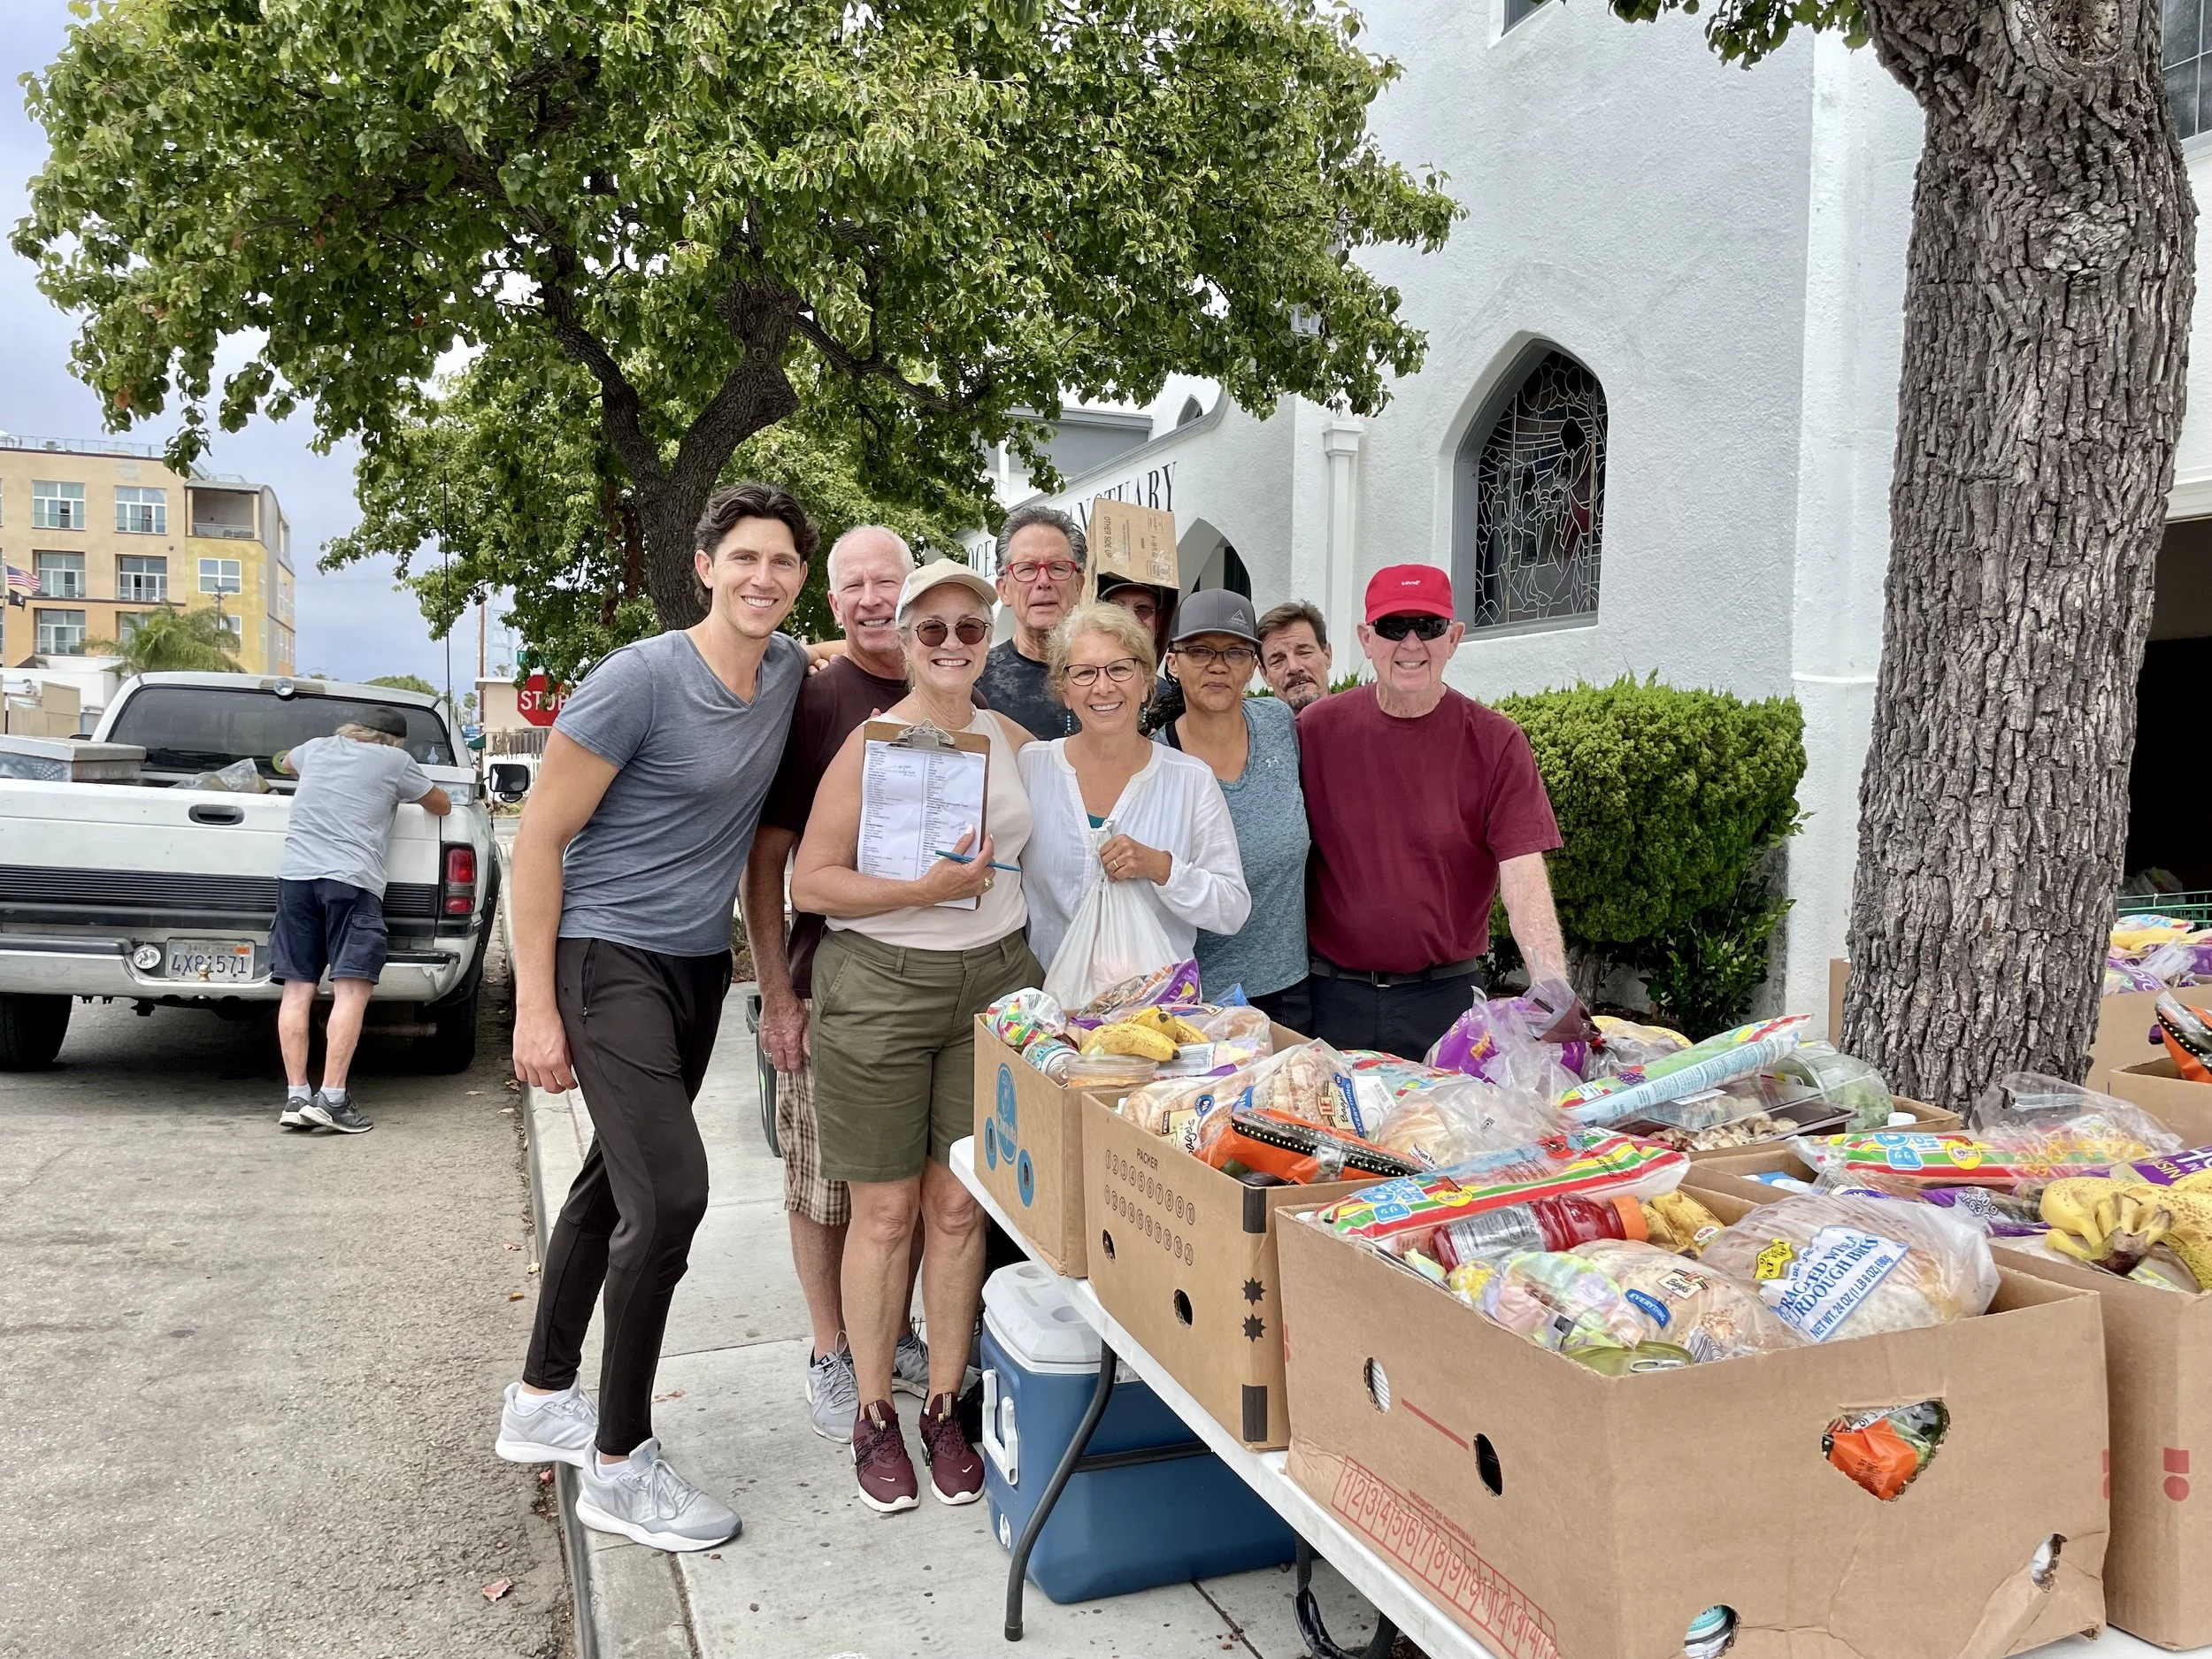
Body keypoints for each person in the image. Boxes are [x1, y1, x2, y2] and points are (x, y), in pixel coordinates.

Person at [495, 481, 811, 1554]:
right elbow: (537, 841)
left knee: (610, 1188)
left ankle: (542, 1397)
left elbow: (817, 664)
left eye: (782, 562)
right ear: (705, 566)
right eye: (745, 559)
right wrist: (536, 1008)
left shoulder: (781, 673)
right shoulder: (638, 680)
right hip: (605, 960)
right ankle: (620, 1463)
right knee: (672, 1197)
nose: (762, 578)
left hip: (692, 972)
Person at [789, 559, 1040, 1515]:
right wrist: (921, 891)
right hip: (882, 990)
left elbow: (1086, 801)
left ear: (989, 635)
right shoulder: (871, 743)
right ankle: (871, 1413)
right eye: (927, 629)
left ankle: (943, 1401)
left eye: (966, 628)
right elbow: (809, 883)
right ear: (901, 638)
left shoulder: (1009, 739)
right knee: (884, 1213)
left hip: (993, 988)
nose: (948, 645)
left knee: (958, 1210)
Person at [742, 526, 950, 1441]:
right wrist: (777, 995)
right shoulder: (818, 700)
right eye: (854, 586)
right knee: (825, 1189)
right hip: (829, 983)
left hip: (934, 982)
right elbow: (767, 859)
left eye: (888, 582)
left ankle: (889, 1334)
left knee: (898, 1189)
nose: (873, 599)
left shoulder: (942, 688)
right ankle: (830, 1352)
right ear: (832, 604)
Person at [1298, 565, 1582, 1059]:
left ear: (1453, 639)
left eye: (1428, 627)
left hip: (1446, 1003)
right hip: (1328, 998)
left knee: (1438, 1137)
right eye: (1392, 627)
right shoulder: (1315, 730)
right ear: (1366, 639)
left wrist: (1553, 994)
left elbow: (1524, 878)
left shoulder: (1497, 742)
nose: (1411, 645)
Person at [1019, 603, 1250, 986]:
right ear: (1064, 690)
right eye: (1085, 673)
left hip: (1155, 1021)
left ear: (1146, 683)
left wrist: (1161, 867)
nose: (1103, 686)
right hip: (1051, 1017)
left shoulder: (1189, 779)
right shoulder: (1031, 767)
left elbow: (1231, 908)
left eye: (1120, 668)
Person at [270, 708, 451, 1134]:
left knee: (298, 989)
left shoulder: (314, 750)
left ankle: (296, 1096)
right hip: (351, 882)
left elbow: (283, 761)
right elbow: (441, 804)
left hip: (295, 880)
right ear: (391, 741)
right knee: (350, 990)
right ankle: (332, 1100)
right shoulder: (394, 761)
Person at [1154, 590, 1310, 1031]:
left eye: (1235, 651)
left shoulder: (1280, 726)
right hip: (1195, 1001)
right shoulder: (1156, 760)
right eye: (1200, 651)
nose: (1218, 665)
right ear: (1172, 662)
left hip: (1288, 991)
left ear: (1254, 665)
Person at [975, 502, 1083, 739]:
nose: (1043, 581)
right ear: (1004, 590)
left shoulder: (1115, 677)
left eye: (1057, 567)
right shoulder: (975, 682)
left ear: (1079, 586)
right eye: (1027, 569)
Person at [1257, 599, 1334, 711]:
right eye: (1278, 661)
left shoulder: (1361, 726)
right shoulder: (1246, 728)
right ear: (1264, 674)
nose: (1293, 667)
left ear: (1327, 655)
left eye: (1304, 653)